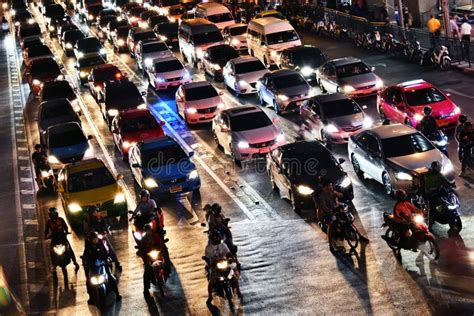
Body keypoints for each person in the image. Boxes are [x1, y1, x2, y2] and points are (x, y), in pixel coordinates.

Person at [316, 178, 369, 252]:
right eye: (328, 186)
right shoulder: (322, 196)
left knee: (348, 219)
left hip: (336, 209)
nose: (330, 187)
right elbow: (324, 207)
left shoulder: (332, 192)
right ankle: (330, 245)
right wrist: (331, 212)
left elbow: (341, 196)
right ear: (324, 187)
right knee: (331, 225)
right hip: (327, 213)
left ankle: (360, 236)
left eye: (331, 186)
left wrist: (336, 193)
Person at [204, 229, 242, 305]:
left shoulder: (223, 245)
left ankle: (238, 291)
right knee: (211, 281)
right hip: (214, 265)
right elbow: (207, 259)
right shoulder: (208, 248)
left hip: (225, 262)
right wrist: (209, 264)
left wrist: (232, 259)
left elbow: (229, 253)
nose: (217, 240)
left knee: (233, 276)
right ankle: (210, 297)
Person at [82, 231, 122, 304]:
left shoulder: (101, 244)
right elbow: (85, 255)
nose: (95, 240)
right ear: (90, 240)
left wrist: (108, 259)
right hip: (93, 267)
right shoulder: (88, 246)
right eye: (93, 239)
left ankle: (117, 294)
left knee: (110, 277)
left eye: (96, 238)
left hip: (103, 264)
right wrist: (85, 261)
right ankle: (91, 297)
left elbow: (106, 253)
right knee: (88, 280)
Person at [138, 223, 171, 298]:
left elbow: (161, 244)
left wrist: (162, 249)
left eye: (149, 230)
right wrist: (142, 253)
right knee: (147, 271)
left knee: (166, 259)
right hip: (149, 257)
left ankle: (168, 272)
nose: (148, 232)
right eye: (147, 231)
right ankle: (146, 290)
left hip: (158, 255)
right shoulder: (143, 239)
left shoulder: (155, 236)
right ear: (145, 231)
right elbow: (141, 248)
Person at [84, 206, 122, 271]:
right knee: (88, 250)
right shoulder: (87, 220)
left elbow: (105, 225)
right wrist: (90, 234)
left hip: (101, 236)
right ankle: (86, 263)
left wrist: (106, 230)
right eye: (94, 212)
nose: (95, 213)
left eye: (96, 211)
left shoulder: (100, 218)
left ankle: (116, 262)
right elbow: (86, 229)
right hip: (92, 238)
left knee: (109, 248)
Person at [44, 208, 80, 272]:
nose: (53, 215)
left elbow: (65, 227)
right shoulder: (48, 222)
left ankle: (75, 262)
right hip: (54, 238)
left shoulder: (61, 219)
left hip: (62, 237)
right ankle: (54, 265)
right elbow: (46, 231)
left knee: (70, 249)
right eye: (52, 214)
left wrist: (66, 232)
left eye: (54, 214)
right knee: (51, 250)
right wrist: (46, 235)